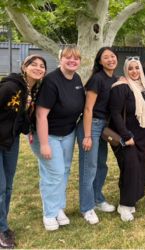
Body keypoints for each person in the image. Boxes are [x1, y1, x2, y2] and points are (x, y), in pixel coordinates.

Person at [30, 45, 85, 231]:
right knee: (53, 174)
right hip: (48, 134)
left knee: (64, 171)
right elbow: (40, 115)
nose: (72, 61)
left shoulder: (76, 79)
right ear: (60, 59)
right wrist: (44, 144)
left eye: (76, 58)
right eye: (68, 57)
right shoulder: (51, 81)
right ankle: (49, 213)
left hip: (67, 133)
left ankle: (58, 207)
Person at [0, 55, 46, 248]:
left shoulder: (31, 90)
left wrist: (29, 129)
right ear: (24, 67)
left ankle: (3, 225)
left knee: (8, 186)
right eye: (33, 64)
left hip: (11, 141)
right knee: (0, 187)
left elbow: (20, 116)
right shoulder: (10, 87)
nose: (38, 68)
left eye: (42, 66)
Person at [76, 47, 118, 225]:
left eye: (112, 56)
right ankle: (86, 207)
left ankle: (97, 199)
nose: (110, 59)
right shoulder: (96, 79)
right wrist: (87, 136)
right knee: (89, 167)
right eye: (105, 57)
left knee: (101, 165)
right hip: (91, 125)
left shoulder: (115, 79)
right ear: (100, 62)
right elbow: (88, 108)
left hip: (104, 127)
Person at [109, 56, 145, 221]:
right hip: (126, 137)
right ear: (125, 70)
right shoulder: (121, 87)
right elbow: (115, 113)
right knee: (130, 168)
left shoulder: (143, 87)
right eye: (130, 68)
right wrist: (126, 135)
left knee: (139, 168)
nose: (134, 71)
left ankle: (132, 199)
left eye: (137, 68)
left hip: (142, 136)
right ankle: (124, 205)